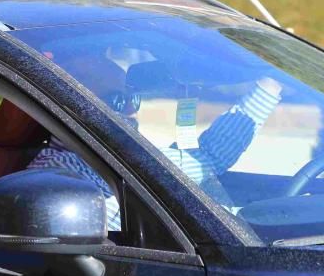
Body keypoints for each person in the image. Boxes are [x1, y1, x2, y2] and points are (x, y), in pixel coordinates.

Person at [28, 57, 282, 231]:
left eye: (132, 98)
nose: (131, 109)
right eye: (117, 100)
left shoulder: (119, 155)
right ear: (71, 108)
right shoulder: (57, 175)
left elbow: (208, 159)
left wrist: (269, 85)